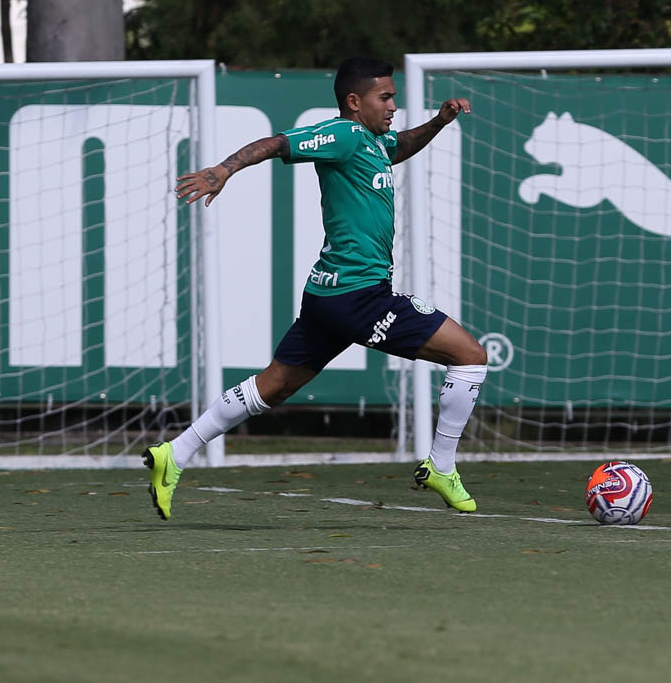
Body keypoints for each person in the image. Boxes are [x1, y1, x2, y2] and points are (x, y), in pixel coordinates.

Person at [143, 56, 488, 519]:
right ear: (353, 101)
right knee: (470, 355)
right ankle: (442, 466)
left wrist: (439, 122)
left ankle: (175, 453)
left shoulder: (370, 141)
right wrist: (225, 168)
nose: (392, 105)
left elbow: (398, 147)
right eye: (384, 97)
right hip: (360, 295)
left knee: (274, 386)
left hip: (328, 295)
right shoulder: (343, 134)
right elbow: (279, 142)